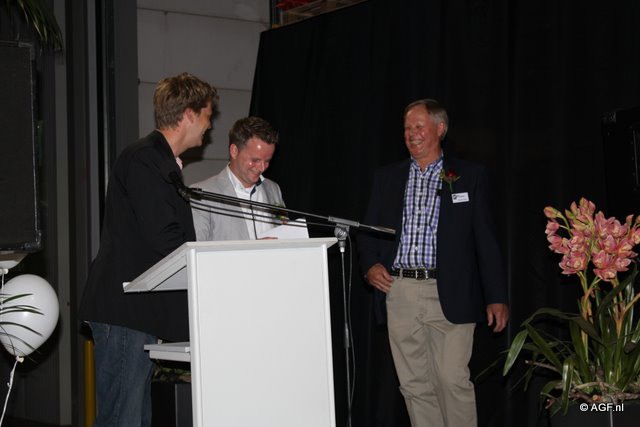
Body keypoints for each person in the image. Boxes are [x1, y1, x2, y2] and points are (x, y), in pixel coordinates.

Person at [358, 99, 509, 427]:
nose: (411, 134)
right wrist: (370, 265)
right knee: (414, 385)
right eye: (406, 128)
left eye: (419, 126)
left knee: (451, 379)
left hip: (451, 290)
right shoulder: (388, 177)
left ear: (440, 129)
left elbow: (486, 239)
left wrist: (496, 295)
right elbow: (368, 231)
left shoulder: (468, 176)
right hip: (399, 290)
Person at [80, 72, 218, 426]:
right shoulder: (145, 159)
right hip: (125, 311)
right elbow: (164, 236)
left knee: (133, 418)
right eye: (207, 115)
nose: (210, 125)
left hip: (132, 312)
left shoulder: (156, 160)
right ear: (188, 114)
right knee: (123, 419)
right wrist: (209, 265)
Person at [191, 116, 284, 241]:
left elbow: (283, 228)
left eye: (267, 161)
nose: (262, 167)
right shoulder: (201, 195)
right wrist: (254, 250)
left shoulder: (273, 189)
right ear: (234, 151)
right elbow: (197, 250)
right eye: (255, 160)